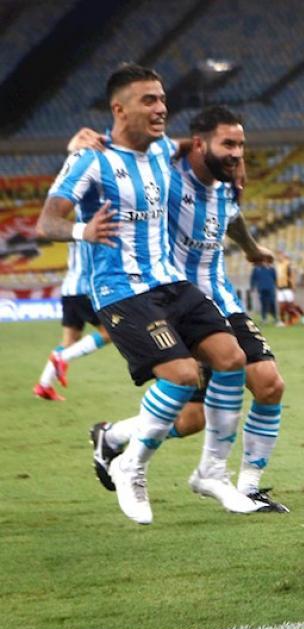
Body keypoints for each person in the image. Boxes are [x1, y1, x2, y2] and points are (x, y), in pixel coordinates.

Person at [35, 64, 248, 525]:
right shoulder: (91, 159)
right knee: (181, 374)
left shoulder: (163, 152)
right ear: (119, 109)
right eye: (148, 100)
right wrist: (81, 230)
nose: (161, 108)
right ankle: (131, 463)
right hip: (120, 289)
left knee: (231, 358)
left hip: (169, 280)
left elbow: (202, 147)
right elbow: (46, 222)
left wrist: (238, 164)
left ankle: (211, 472)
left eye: (162, 99)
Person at [78, 105, 287, 513]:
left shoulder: (227, 182)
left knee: (269, 384)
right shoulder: (167, 176)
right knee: (192, 415)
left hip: (220, 298)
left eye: (241, 146)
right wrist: (84, 144)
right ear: (198, 144)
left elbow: (231, 218)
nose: (237, 155)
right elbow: (135, 154)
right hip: (174, 298)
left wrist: (251, 248)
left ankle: (248, 485)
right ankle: (117, 439)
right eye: (229, 145)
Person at [32, 239, 113, 401]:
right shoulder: (91, 230)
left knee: (69, 340)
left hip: (69, 289)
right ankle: (62, 358)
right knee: (110, 331)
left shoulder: (74, 230)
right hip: (85, 290)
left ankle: (44, 385)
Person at [274, 250, 299, 325]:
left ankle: (291, 320)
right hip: (280, 288)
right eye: (277, 255)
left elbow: (291, 275)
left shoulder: (287, 264)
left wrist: (293, 285)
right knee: (281, 306)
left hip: (287, 287)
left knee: (290, 304)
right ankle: (282, 321)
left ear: (283, 255)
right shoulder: (277, 265)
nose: (279, 257)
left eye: (280, 255)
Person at [250, 259, 276, 323]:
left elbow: (275, 278)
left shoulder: (271, 269)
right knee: (263, 303)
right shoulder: (257, 269)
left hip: (270, 288)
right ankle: (264, 318)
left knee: (271, 303)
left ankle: (275, 317)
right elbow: (253, 278)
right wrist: (252, 287)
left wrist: (275, 285)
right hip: (261, 288)